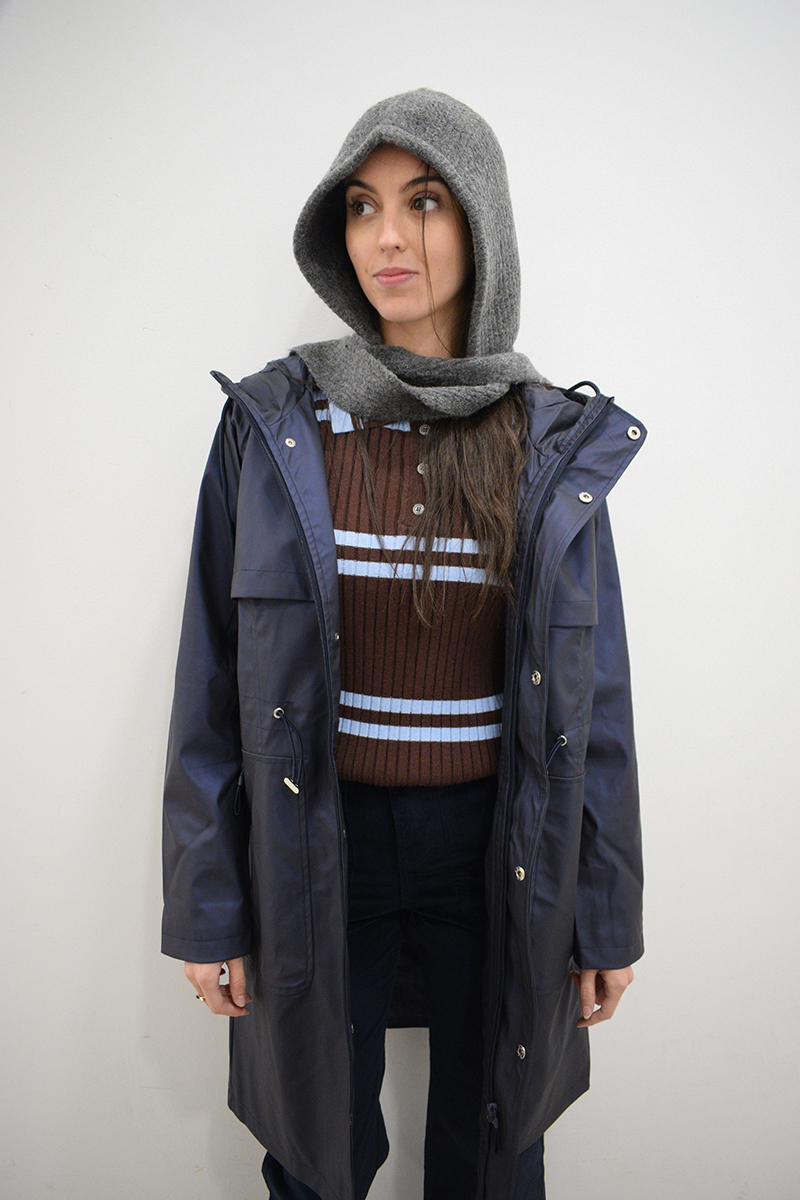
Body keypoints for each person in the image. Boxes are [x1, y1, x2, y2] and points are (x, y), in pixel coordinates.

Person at [161, 88, 645, 1200]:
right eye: (362, 206)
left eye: (424, 202)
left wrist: (605, 911)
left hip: (497, 843)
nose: (388, 236)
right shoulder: (275, 425)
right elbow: (210, 682)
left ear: (481, 225)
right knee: (317, 1151)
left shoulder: (546, 442)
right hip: (316, 841)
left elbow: (596, 698)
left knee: (496, 1149)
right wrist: (208, 905)